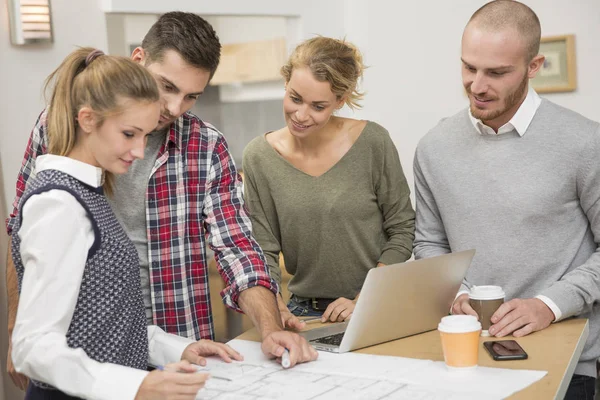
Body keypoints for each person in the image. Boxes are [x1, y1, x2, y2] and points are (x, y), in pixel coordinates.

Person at [6, 12, 317, 391]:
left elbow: (237, 247)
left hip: (173, 343)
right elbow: (22, 235)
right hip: (86, 362)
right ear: (138, 61)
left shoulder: (206, 146)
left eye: (191, 96)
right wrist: (19, 328)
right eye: (166, 86)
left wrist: (269, 328)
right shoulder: (60, 143)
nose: (174, 107)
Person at [11, 47, 246, 400]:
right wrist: (137, 386)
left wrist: (179, 348)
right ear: (87, 119)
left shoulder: (89, 193)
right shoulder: (58, 204)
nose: (139, 151)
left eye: (145, 136)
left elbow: (106, 320)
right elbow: (32, 347)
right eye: (129, 134)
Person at [413, 1, 600, 398]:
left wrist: (549, 304)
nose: (477, 85)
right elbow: (430, 243)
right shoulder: (433, 148)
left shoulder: (586, 144)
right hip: (463, 356)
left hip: (567, 359)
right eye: (469, 67)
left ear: (534, 66)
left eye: (496, 73)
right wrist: (458, 293)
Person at [243, 37, 415, 324]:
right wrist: (275, 306)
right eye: (295, 98)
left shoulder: (373, 142)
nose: (300, 115)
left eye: (317, 106)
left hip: (374, 307)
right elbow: (264, 247)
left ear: (340, 100)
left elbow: (402, 229)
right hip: (303, 312)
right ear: (286, 83)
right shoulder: (259, 157)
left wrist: (365, 300)